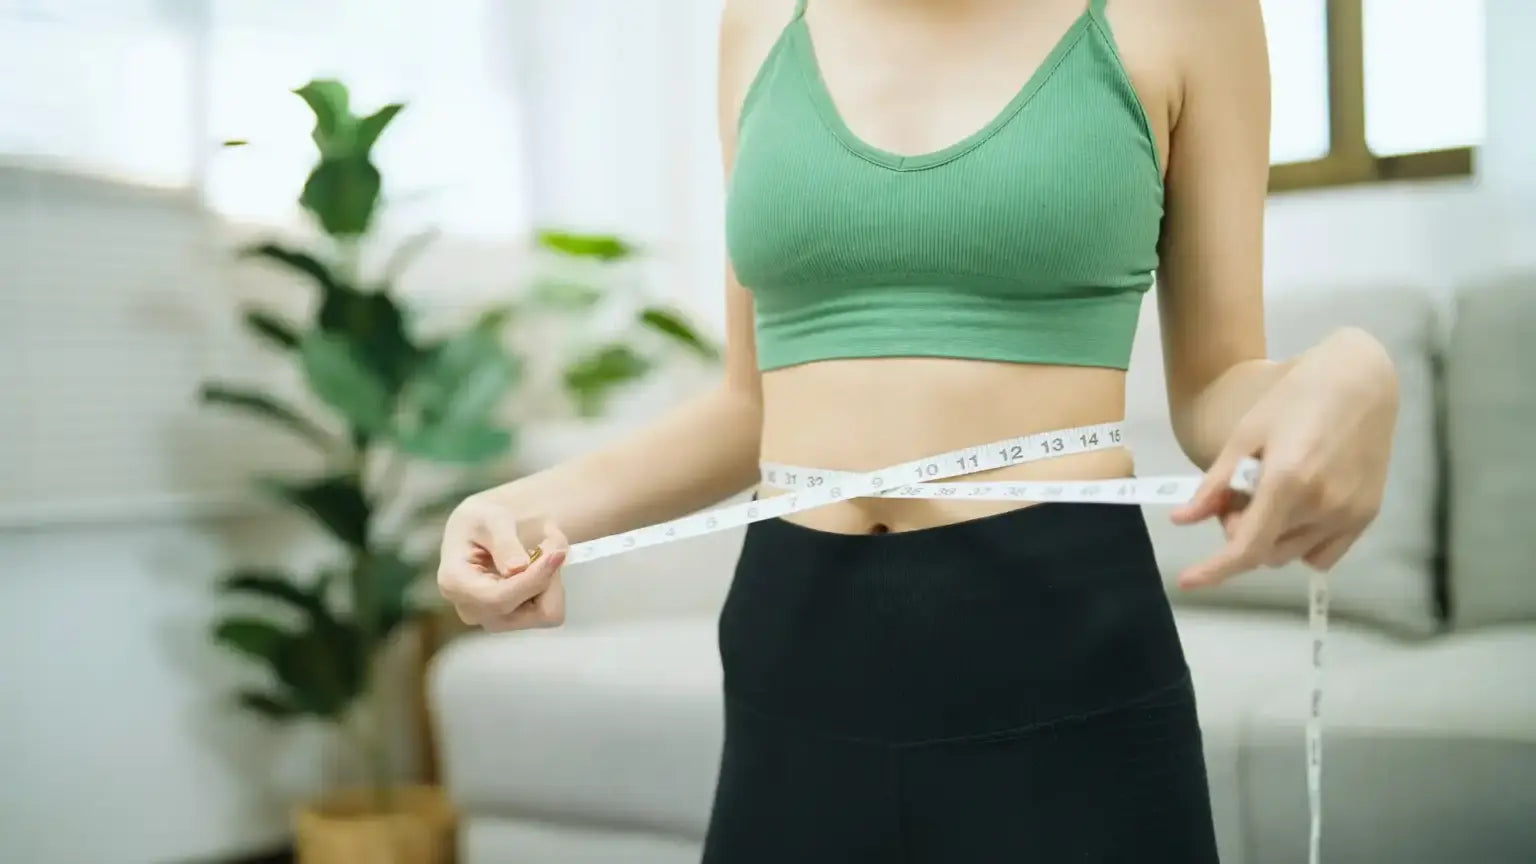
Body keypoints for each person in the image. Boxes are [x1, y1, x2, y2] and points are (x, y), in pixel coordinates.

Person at [437, 0, 1399, 860]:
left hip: (1059, 648)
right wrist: (526, 503)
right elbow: (749, 404)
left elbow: (1217, 383)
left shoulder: (1188, 15)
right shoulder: (760, 21)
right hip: (791, 649)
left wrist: (1351, 369)